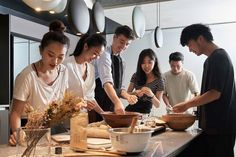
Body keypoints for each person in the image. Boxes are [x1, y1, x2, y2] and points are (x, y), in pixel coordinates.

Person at [173, 23, 236, 157]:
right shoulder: (210, 60)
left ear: (200, 39)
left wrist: (186, 104)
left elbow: (214, 93)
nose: (190, 50)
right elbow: (208, 93)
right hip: (212, 128)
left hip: (221, 128)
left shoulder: (219, 58)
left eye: (189, 45)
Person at [9, 29, 70, 145]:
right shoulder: (27, 76)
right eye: (50, 55)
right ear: (41, 50)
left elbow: (61, 101)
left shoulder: (64, 71)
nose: (55, 61)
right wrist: (17, 133)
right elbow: (16, 113)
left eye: (61, 57)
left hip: (54, 125)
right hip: (30, 126)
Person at [94, 25, 138, 121]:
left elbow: (119, 88)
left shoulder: (122, 62)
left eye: (127, 44)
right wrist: (118, 102)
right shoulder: (104, 54)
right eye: (122, 42)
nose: (123, 46)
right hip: (97, 105)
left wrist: (128, 96)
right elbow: (107, 82)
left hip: (111, 107)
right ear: (114, 37)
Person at [63, 34, 107, 122]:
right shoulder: (65, 65)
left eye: (99, 55)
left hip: (82, 119)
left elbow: (90, 97)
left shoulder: (91, 68)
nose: (96, 58)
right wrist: (80, 103)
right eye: (95, 53)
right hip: (65, 118)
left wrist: (103, 114)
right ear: (86, 46)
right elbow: (59, 96)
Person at [125, 48, 164, 114]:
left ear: (155, 62)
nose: (146, 66)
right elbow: (127, 94)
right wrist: (135, 93)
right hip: (130, 110)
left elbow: (157, 105)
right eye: (143, 63)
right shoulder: (136, 75)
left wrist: (151, 95)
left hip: (145, 112)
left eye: (150, 62)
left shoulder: (159, 80)